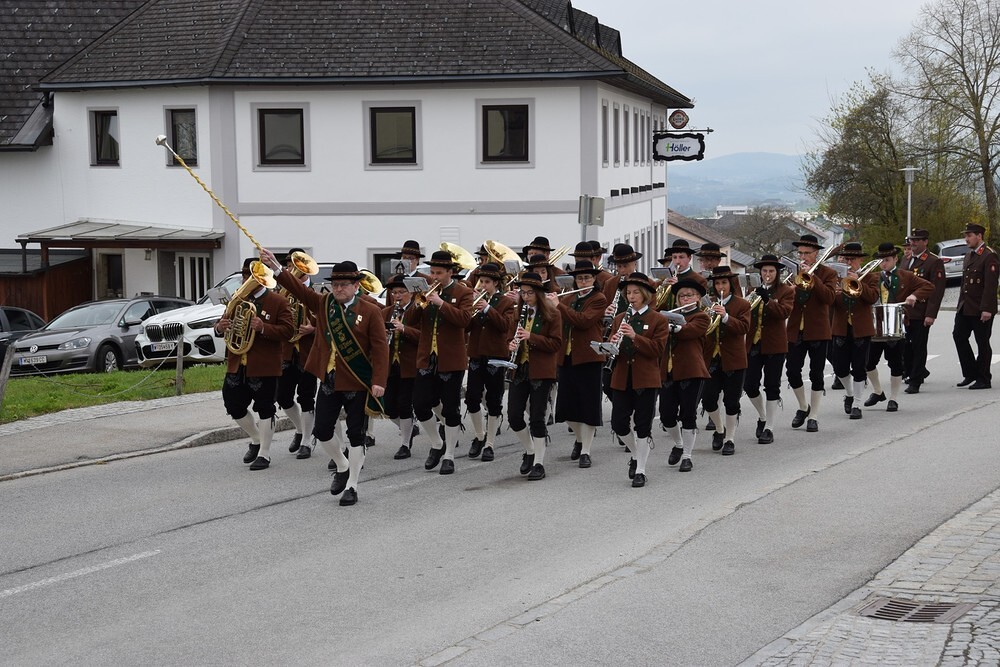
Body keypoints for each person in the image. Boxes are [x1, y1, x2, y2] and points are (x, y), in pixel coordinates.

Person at [261, 251, 389, 506]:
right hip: (330, 379)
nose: (338, 289)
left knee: (356, 435)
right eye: (335, 284)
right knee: (321, 430)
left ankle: (352, 485)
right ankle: (342, 465)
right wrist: (276, 267)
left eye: (344, 284)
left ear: (356, 286)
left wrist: (379, 381)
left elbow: (379, 348)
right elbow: (299, 290)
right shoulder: (325, 303)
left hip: (357, 380)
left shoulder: (370, 311)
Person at [214, 258, 294, 471]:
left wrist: (264, 327)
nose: (245, 279)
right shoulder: (237, 299)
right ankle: (256, 439)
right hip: (237, 362)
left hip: (264, 364)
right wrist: (220, 327)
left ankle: (264, 454)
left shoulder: (278, 301)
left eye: (250, 275)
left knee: (265, 408)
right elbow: (221, 324)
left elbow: (288, 331)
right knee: (233, 405)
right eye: (244, 275)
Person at [414, 250, 475, 473]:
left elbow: (465, 320)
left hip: (451, 358)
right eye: (432, 272)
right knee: (420, 404)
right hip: (427, 357)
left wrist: (441, 303)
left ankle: (449, 454)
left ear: (450, 272)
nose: (434, 277)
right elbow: (411, 320)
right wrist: (415, 302)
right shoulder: (426, 291)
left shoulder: (463, 292)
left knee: (451, 408)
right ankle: (436, 443)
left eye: (439, 273)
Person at [605, 272, 668, 487]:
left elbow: (657, 350)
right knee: (619, 423)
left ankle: (640, 469)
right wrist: (611, 344)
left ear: (645, 295)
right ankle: (635, 453)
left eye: (635, 293)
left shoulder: (658, 319)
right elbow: (613, 347)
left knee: (643, 426)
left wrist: (634, 336)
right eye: (628, 293)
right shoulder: (619, 318)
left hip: (646, 378)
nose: (631, 296)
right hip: (622, 376)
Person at [550, 259, 608, 468]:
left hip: (589, 357)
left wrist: (559, 306)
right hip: (567, 357)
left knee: (588, 406)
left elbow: (583, 321)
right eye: (580, 278)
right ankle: (579, 438)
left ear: (593, 279)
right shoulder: (569, 298)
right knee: (566, 407)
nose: (583, 282)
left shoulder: (598, 298)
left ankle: (586, 451)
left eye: (587, 278)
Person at [506, 271, 562, 480]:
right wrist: (511, 345)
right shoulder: (518, 312)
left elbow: (555, 344)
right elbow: (509, 338)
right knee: (514, 416)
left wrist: (532, 337)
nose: (526, 296)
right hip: (520, 369)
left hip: (541, 370)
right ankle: (530, 450)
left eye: (530, 293)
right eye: (523, 293)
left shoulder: (553, 314)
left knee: (537, 418)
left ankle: (539, 462)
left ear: (539, 293)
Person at [864, 242, 934, 410]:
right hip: (875, 325)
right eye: (881, 261)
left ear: (896, 259)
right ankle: (878, 391)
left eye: (887, 260)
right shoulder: (872, 276)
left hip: (896, 325)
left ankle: (893, 398)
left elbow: (929, 286)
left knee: (896, 364)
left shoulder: (906, 276)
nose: (884, 264)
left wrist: (914, 295)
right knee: (868, 362)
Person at [785, 234, 838, 432]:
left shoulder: (828, 273)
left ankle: (813, 415)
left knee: (816, 373)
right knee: (792, 371)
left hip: (818, 330)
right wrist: (788, 289)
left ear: (816, 254)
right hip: (795, 329)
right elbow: (783, 297)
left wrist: (813, 277)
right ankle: (803, 407)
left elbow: (829, 298)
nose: (803, 257)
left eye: (807, 253)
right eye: (800, 253)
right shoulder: (792, 272)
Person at [465, 262, 516, 462]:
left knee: (494, 400)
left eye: (487, 282)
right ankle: (479, 436)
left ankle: (490, 444)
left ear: (495, 283)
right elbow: (466, 327)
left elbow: (504, 326)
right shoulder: (475, 300)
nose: (483, 285)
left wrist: (487, 308)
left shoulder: (505, 302)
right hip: (477, 354)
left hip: (496, 354)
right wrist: (470, 310)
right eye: (481, 281)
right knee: (471, 397)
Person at [659, 279, 710, 473]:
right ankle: (679, 444)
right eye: (681, 296)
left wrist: (674, 327)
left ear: (697, 298)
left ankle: (687, 456)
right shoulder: (669, 315)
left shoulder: (701, 316)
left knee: (688, 414)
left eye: (689, 295)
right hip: (668, 372)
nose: (685, 299)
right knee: (666, 416)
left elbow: (690, 331)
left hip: (691, 371)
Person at [742, 255, 794, 444]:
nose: (767, 274)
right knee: (749, 385)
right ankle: (763, 416)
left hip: (775, 344)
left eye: (771, 271)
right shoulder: (753, 289)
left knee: (772, 386)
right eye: (764, 271)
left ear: (777, 273)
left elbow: (784, 313)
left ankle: (769, 428)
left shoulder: (786, 291)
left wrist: (768, 300)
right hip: (753, 344)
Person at [700, 266, 751, 455]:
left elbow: (744, 328)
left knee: (732, 402)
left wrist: (726, 317)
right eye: (717, 283)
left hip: (734, 360)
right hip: (711, 359)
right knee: (708, 400)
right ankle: (719, 429)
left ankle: (730, 438)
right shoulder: (708, 304)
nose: (721, 286)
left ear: (731, 284)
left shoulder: (742, 304)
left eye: (724, 283)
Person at [275, 248, 319, 459]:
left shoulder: (318, 292)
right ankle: (300, 429)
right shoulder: (282, 294)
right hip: (287, 351)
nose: (292, 270)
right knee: (282, 397)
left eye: (296, 266)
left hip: (308, 353)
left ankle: (307, 441)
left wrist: (313, 329)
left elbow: (330, 321)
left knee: (306, 397)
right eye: (289, 266)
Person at [829, 243, 878, 419]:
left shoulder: (870, 277)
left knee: (859, 368)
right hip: (840, 328)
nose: (849, 263)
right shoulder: (835, 277)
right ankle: (849, 393)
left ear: (860, 260)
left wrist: (858, 282)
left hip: (861, 329)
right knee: (840, 368)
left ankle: (857, 403)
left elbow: (873, 298)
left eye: (853, 259)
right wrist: (835, 292)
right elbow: (829, 301)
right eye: (846, 259)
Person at [382, 275, 422, 460]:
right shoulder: (386, 312)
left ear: (410, 293)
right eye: (394, 292)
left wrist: (404, 328)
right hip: (390, 365)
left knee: (405, 404)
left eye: (401, 292)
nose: (397, 296)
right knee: (388, 407)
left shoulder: (418, 310)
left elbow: (424, 337)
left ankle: (405, 444)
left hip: (409, 364)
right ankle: (409, 428)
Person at [901, 229, 947, 393]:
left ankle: (915, 381)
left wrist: (930, 314)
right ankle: (915, 372)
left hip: (921, 311)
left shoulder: (933, 261)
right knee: (905, 346)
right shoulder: (906, 260)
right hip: (905, 312)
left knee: (918, 347)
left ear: (925, 242)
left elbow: (937, 290)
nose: (913, 243)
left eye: (917, 240)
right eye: (911, 240)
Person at [954, 223, 998, 390]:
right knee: (958, 335)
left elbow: (990, 285)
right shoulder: (969, 255)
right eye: (965, 235)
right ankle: (970, 372)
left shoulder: (989, 255)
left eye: (969, 235)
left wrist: (986, 308)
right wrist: (960, 304)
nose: (966, 239)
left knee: (982, 342)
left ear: (979, 236)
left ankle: (984, 378)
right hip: (966, 306)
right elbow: (964, 283)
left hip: (981, 307)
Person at [656, 239, 709, 310]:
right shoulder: (665, 278)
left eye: (681, 257)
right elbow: (655, 304)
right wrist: (663, 286)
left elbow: (701, 306)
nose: (677, 261)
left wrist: (678, 286)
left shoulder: (699, 280)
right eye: (674, 257)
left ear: (689, 258)